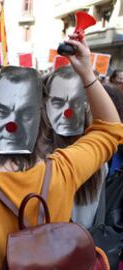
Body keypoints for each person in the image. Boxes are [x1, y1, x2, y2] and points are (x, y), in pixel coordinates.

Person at [0, 36, 123, 269]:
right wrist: (87, 73)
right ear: (45, 120)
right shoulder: (63, 169)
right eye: (4, 110)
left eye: (23, 113)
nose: (12, 123)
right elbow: (111, 129)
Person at [45, 66, 106, 229]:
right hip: (83, 247)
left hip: (49, 248)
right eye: (58, 102)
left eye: (75, 101)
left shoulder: (36, 158)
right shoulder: (98, 150)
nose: (67, 111)